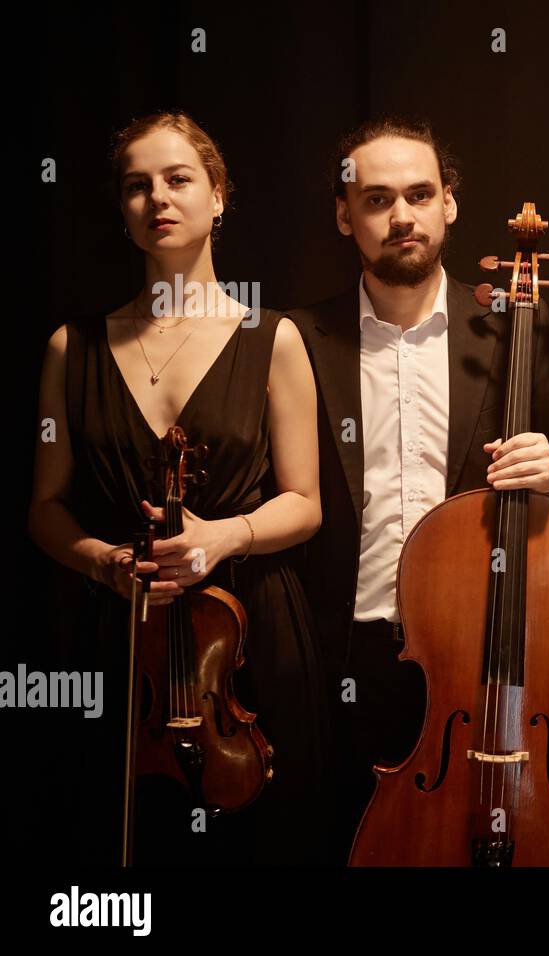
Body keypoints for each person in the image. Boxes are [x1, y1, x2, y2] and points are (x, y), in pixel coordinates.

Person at [289, 117, 549, 863]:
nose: (401, 215)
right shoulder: (300, 338)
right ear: (344, 215)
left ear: (449, 205)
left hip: (479, 655)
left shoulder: (510, 324)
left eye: (420, 194)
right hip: (345, 657)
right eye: (375, 199)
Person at [29, 111, 327, 864]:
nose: (156, 198)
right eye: (136, 186)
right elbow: (45, 509)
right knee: (120, 845)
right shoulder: (74, 348)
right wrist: (104, 561)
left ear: (218, 195)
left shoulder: (274, 338)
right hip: (121, 641)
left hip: (248, 634)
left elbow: (305, 503)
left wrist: (221, 537)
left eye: (177, 178)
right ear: (123, 212)